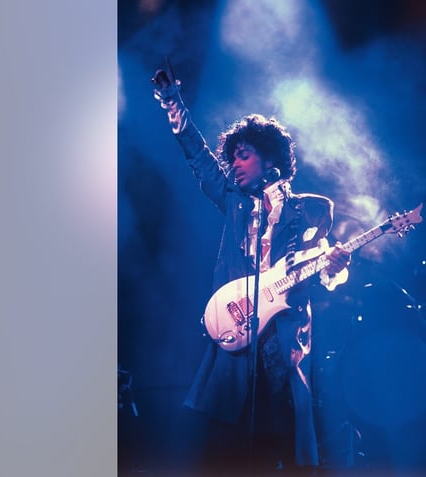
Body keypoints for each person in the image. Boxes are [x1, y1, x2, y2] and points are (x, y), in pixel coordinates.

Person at [152, 65, 351, 475]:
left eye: (243, 155)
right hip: (239, 329)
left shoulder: (312, 209)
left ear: (270, 158)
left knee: (283, 438)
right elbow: (199, 159)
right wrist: (173, 103)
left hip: (282, 338)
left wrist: (334, 266)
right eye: (233, 158)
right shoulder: (235, 202)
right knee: (229, 442)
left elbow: (323, 269)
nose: (234, 165)